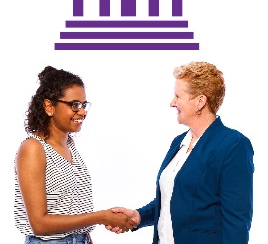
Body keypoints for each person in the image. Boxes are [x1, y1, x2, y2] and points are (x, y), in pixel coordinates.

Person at [107, 61, 254, 244]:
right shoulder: (179, 142)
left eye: (178, 96)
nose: (172, 103)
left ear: (200, 101)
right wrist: (138, 216)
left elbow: (237, 221)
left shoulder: (233, 145)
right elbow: (174, 199)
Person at [14, 66, 135, 244]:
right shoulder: (33, 148)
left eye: (84, 105)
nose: (83, 111)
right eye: (74, 105)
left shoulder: (69, 145)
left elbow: (74, 209)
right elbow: (39, 224)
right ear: (49, 106)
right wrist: (101, 217)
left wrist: (87, 237)